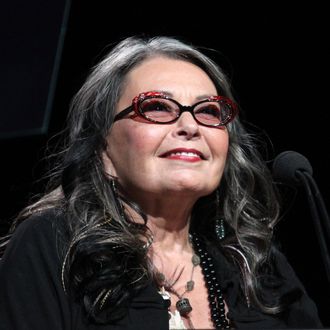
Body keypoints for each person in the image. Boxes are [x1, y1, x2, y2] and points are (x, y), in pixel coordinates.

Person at [0, 35, 323, 329]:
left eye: (208, 111)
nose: (190, 126)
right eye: (156, 107)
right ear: (101, 145)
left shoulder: (253, 259)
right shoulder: (55, 245)